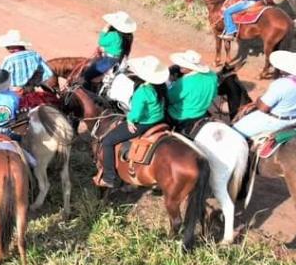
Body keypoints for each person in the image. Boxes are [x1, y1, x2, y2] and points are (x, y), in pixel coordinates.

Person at [95, 56, 168, 189]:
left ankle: (109, 177)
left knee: (108, 141)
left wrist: (130, 120)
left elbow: (136, 113)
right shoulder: (161, 86)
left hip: (143, 123)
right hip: (159, 120)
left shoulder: (143, 91)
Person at [232, 51, 296, 140]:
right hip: (294, 120)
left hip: (274, 121)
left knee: (235, 131)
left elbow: (263, 108)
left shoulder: (281, 84)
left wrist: (258, 100)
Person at [166, 50, 218, 136]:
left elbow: (170, 99)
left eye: (183, 65)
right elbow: (214, 94)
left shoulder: (184, 82)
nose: (180, 66)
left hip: (180, 115)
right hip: (201, 113)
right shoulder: (212, 76)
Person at [82, 11, 137, 88]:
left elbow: (101, 41)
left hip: (109, 60)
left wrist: (106, 27)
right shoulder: (127, 36)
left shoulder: (114, 35)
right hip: (118, 60)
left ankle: (86, 89)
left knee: (87, 75)